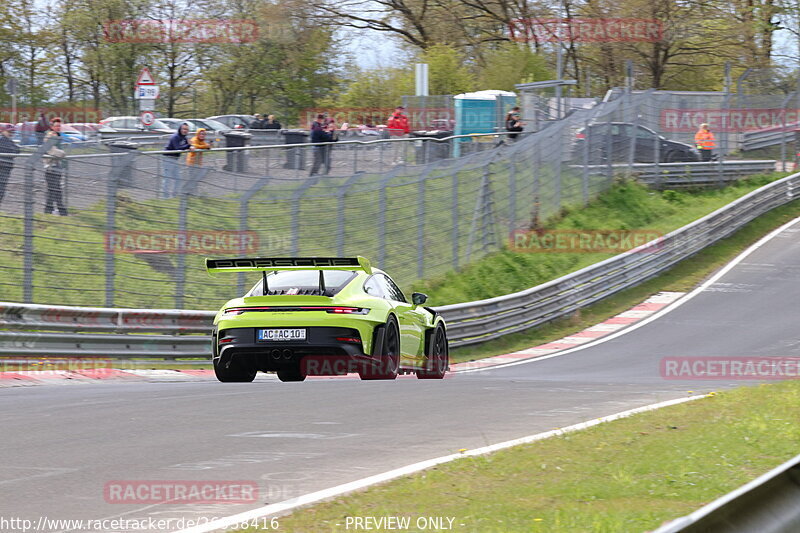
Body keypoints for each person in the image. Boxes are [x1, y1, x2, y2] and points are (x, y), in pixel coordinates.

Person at [43, 117, 68, 216]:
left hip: (56, 166)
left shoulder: (57, 136)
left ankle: (51, 210)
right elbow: (52, 151)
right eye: (56, 126)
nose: (58, 128)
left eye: (59, 126)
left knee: (55, 189)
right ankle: (58, 210)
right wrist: (63, 153)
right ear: (52, 127)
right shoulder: (50, 136)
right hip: (51, 166)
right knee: (54, 189)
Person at [162, 122, 193, 198]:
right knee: (167, 179)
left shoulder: (184, 138)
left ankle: (174, 196)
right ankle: (165, 198)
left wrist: (191, 146)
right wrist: (188, 145)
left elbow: (188, 145)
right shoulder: (175, 137)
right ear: (180, 129)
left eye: (187, 129)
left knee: (178, 178)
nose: (185, 131)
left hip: (175, 159)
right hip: (168, 158)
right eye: (183, 129)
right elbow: (177, 148)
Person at [0, 124, 20, 207]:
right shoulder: (2, 140)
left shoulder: (9, 141)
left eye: (12, 132)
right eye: (9, 132)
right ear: (3, 131)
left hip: (6, 167)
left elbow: (17, 150)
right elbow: (12, 150)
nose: (11, 133)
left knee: (2, 185)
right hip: (3, 166)